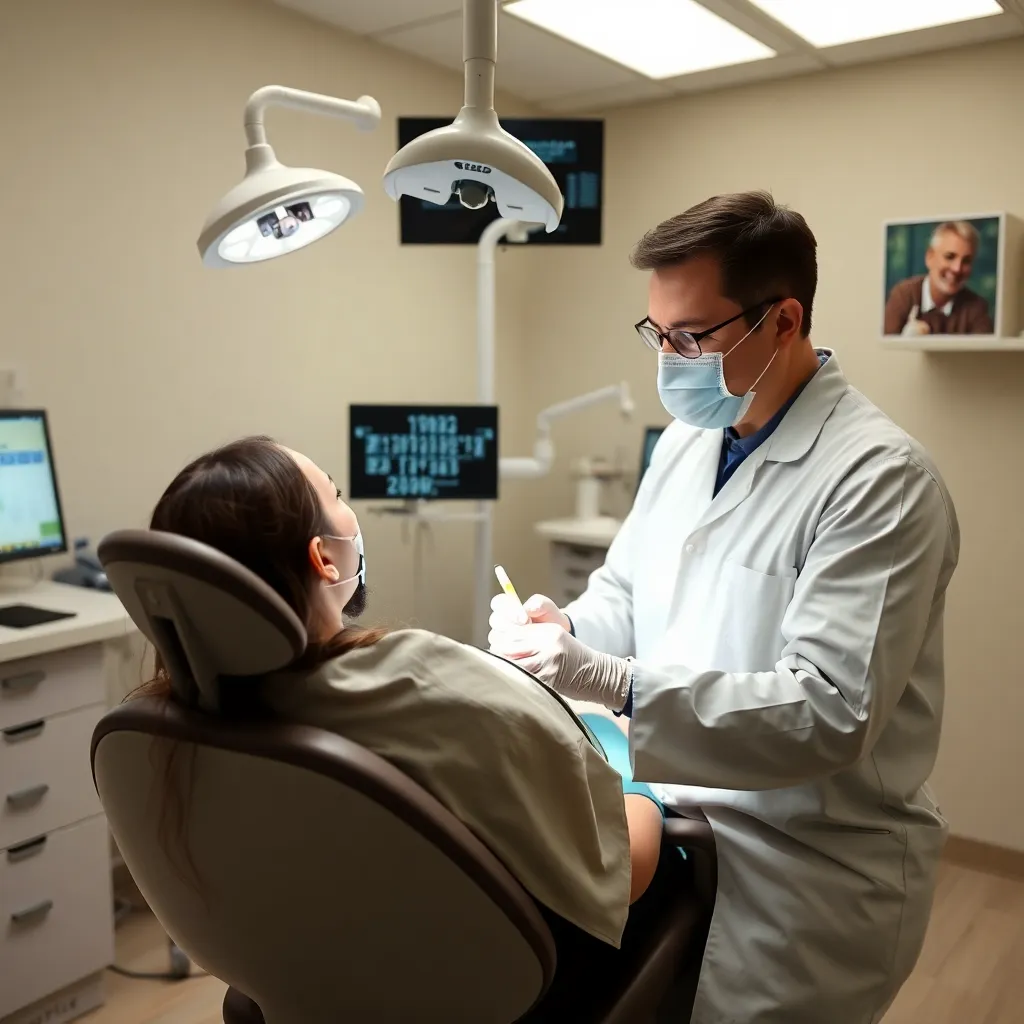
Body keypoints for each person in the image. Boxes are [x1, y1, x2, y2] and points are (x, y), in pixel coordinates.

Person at [489, 191, 960, 1024]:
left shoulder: (881, 480)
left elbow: (830, 710)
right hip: (672, 817)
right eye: (656, 335)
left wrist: (616, 683)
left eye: (691, 338)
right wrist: (562, 633)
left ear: (783, 321)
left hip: (805, 868)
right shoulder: (686, 441)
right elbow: (627, 591)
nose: (668, 361)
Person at [135, 435, 687, 1019]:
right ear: (324, 558)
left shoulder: (179, 719)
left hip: (310, 978)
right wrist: (638, 772)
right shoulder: (428, 688)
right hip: (504, 992)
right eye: (338, 493)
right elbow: (625, 870)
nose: (350, 508)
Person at [884, 220, 993, 335]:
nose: (957, 268)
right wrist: (907, 339)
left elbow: (983, 353)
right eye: (949, 257)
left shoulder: (977, 307)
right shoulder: (904, 295)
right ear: (929, 257)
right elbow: (883, 351)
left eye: (966, 261)